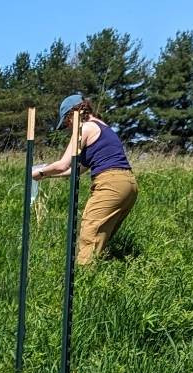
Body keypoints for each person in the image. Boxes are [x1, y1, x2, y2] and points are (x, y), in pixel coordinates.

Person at [33, 93, 137, 266]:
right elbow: (77, 169)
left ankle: (83, 281)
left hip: (110, 183)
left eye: (66, 123)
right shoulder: (103, 127)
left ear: (73, 115)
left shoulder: (85, 128)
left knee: (90, 232)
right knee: (101, 236)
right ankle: (99, 273)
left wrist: (40, 172)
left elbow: (62, 164)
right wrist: (48, 176)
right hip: (128, 185)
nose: (68, 128)